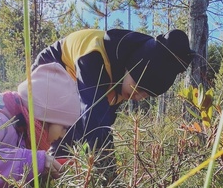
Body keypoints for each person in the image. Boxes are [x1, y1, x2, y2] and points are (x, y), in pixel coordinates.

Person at [32, 28, 195, 173]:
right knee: (59, 128)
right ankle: (43, 170)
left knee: (90, 125)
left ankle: (59, 171)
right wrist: (107, 175)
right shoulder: (95, 57)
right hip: (51, 69)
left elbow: (105, 127)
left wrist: (110, 171)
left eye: (146, 96)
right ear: (132, 67)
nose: (138, 97)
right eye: (139, 89)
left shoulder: (121, 82)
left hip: (76, 84)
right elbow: (93, 120)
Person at [0, 62, 80, 188]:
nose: (64, 134)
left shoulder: (20, 127)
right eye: (64, 126)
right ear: (45, 115)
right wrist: (33, 161)